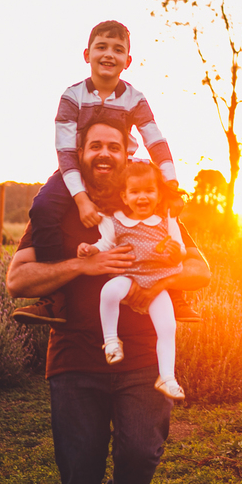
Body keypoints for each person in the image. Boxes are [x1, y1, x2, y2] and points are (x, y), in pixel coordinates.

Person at [6, 116, 210, 484]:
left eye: (113, 146)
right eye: (94, 145)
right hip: (75, 359)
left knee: (142, 451)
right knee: (80, 466)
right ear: (80, 153)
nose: (103, 153)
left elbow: (200, 269)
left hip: (142, 358)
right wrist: (85, 265)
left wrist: (157, 283)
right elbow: (17, 280)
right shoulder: (59, 212)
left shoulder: (145, 203)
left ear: (126, 153)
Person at [15, 19, 199, 325]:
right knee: (44, 206)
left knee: (156, 203)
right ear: (87, 54)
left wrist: (171, 186)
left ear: (128, 60)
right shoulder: (72, 96)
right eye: (101, 47)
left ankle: (174, 294)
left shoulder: (135, 98)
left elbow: (155, 141)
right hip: (75, 166)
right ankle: (54, 298)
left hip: (122, 168)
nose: (109, 54)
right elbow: (65, 151)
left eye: (117, 49)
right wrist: (81, 200)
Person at [78, 160, 187, 400]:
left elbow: (181, 250)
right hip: (128, 276)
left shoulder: (166, 219)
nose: (142, 197)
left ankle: (167, 377)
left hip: (157, 281)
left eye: (149, 190)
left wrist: (175, 252)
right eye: (135, 191)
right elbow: (105, 244)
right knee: (109, 291)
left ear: (159, 195)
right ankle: (111, 341)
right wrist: (91, 250)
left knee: (167, 327)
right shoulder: (116, 220)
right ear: (125, 197)